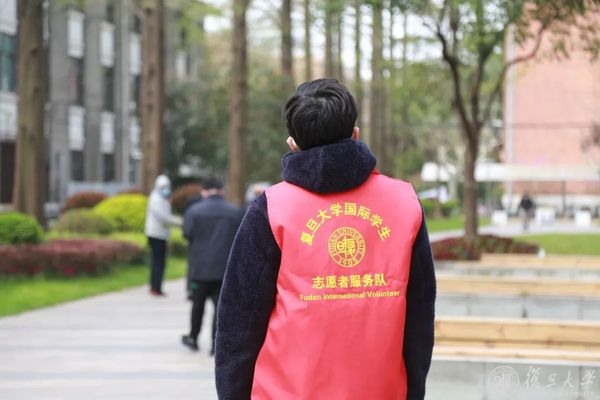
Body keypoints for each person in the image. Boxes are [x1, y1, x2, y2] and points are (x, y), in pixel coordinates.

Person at [215, 78, 436, 399]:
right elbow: (419, 317)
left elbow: (238, 323)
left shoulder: (272, 208)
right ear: (355, 134)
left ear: (293, 143)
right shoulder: (404, 203)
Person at [181, 177, 242, 354]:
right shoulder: (234, 212)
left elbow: (187, 234)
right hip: (224, 268)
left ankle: (193, 338)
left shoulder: (194, 211)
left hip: (199, 268)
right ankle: (216, 344)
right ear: (221, 190)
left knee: (197, 305)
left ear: (204, 191)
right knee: (220, 308)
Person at [144, 175, 182, 297]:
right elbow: (164, 217)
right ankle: (156, 288)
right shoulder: (156, 198)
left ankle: (156, 286)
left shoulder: (163, 198)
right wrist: (180, 222)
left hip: (161, 234)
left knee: (159, 262)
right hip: (156, 235)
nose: (166, 189)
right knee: (158, 262)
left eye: (167, 186)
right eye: (163, 187)